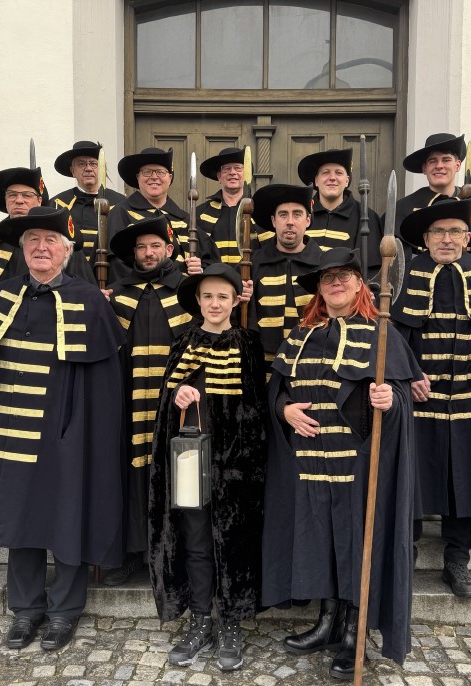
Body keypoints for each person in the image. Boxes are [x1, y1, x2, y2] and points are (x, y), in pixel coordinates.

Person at [0, 206, 124, 652]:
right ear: (22, 250)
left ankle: (64, 611)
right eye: (33, 241)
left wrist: (82, 435)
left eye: (50, 241)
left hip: (65, 435)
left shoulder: (90, 300)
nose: (41, 248)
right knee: (20, 520)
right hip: (11, 431)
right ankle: (25, 610)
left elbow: (102, 385)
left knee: (67, 519)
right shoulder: (3, 295)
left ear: (66, 250)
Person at [262, 248, 420, 678]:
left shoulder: (381, 334)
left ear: (359, 284)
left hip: (357, 463)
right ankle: (328, 622)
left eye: (344, 276)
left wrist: (390, 400)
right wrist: (285, 410)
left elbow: (401, 398)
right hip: (309, 462)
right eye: (327, 278)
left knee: (354, 543)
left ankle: (354, 631)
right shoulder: (300, 335)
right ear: (318, 288)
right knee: (319, 542)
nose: (335, 284)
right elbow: (277, 389)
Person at [394, 198, 471, 598]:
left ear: (467, 238)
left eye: (454, 232)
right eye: (438, 232)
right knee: (410, 476)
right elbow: (391, 336)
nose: (446, 240)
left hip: (467, 400)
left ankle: (457, 560)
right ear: (425, 238)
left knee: (461, 477)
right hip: (417, 400)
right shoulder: (405, 274)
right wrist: (408, 375)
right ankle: (405, 553)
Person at [147, 263, 268, 672]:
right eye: (208, 296)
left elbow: (257, 407)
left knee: (234, 543)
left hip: (237, 465)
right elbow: (165, 408)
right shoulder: (182, 343)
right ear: (198, 301)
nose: (215, 304)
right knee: (197, 542)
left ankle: (231, 620)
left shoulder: (249, 344)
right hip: (190, 462)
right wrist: (177, 395)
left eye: (222, 296)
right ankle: (201, 617)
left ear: (235, 301)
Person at [103, 216, 195, 586]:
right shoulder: (117, 293)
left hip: (175, 402)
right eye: (141, 247)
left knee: (175, 472)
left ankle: (174, 557)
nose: (148, 253)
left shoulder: (187, 291)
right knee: (130, 473)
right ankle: (130, 553)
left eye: (155, 245)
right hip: (128, 401)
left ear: (169, 249)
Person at [0, 165, 94, 311]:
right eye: (12, 195)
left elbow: (84, 291)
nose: (19, 200)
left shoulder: (61, 242)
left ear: (39, 201)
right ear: (5, 200)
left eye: (27, 195)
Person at [107, 147, 216, 283]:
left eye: (160, 172)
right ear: (138, 177)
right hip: (139, 293)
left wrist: (199, 271)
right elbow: (117, 265)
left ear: (169, 178)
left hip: (179, 294)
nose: (154, 177)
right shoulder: (120, 213)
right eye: (147, 172)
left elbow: (210, 261)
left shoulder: (184, 219)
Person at [395, 133, 471, 271]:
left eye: (446, 160)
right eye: (432, 161)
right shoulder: (403, 209)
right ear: (424, 168)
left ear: (458, 165)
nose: (439, 166)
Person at [245, 183, 323, 367]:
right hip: (262, 365)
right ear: (273, 221)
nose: (290, 221)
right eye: (283, 214)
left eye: (297, 214)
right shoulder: (252, 265)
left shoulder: (324, 265)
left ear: (308, 220)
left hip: (310, 365)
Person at [297, 148, 381, 279]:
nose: (332, 178)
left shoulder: (367, 217)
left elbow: (371, 274)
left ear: (347, 180)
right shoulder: (299, 214)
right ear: (316, 180)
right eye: (326, 173)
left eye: (339, 173)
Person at [50, 140, 127, 267]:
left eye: (93, 164)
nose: (88, 169)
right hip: (69, 273)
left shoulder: (120, 203)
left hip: (109, 272)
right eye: (81, 164)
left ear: (102, 169)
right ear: (72, 170)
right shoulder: (57, 204)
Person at [195, 147, 268, 264]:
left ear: (246, 175)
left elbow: (270, 253)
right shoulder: (200, 213)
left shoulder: (262, 212)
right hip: (213, 275)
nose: (232, 172)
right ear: (219, 176)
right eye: (226, 169)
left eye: (238, 168)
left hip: (252, 275)